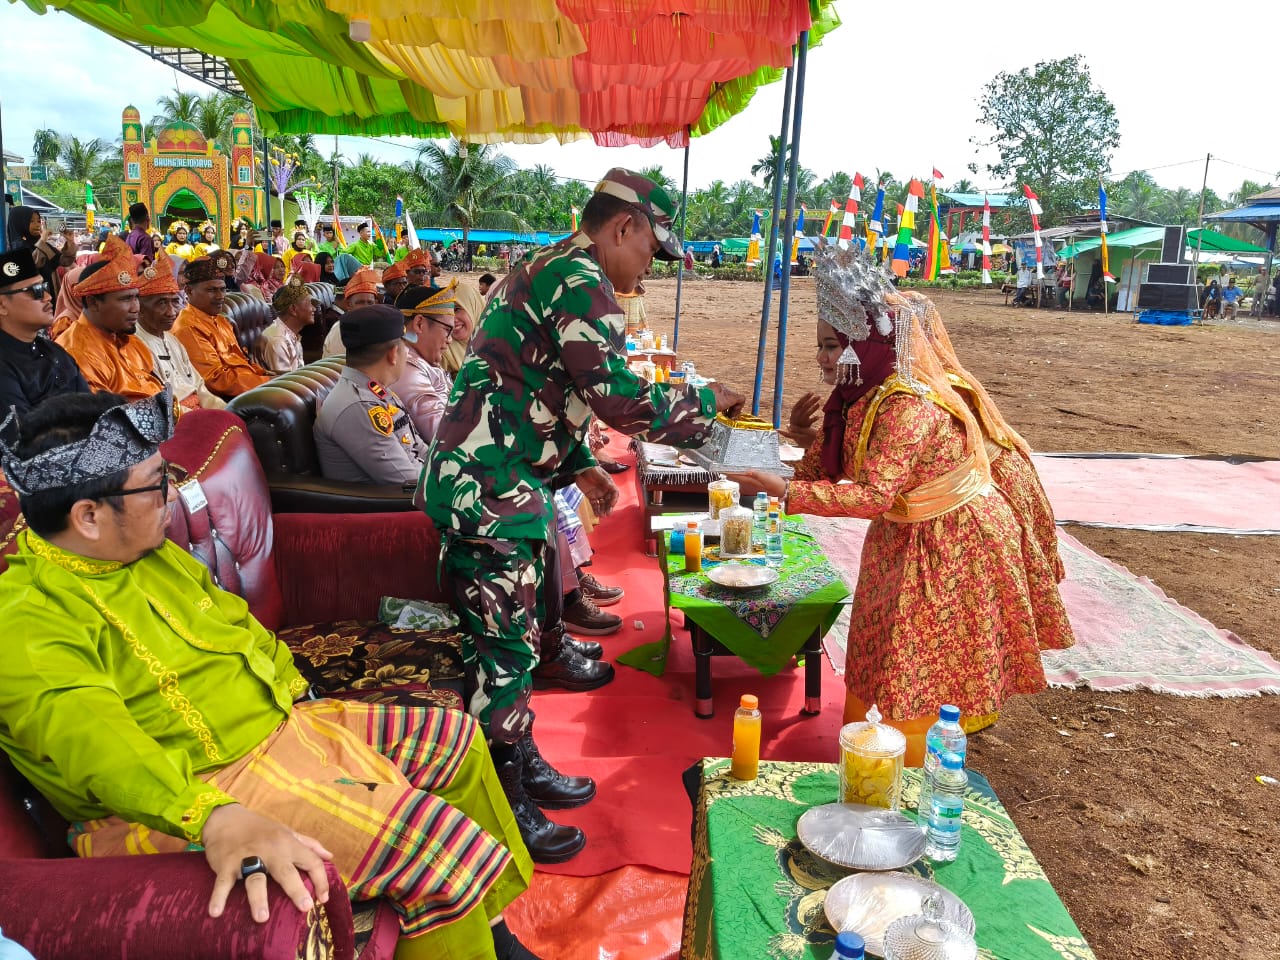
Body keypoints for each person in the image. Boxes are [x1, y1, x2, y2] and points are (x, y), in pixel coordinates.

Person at [0, 390, 538, 960]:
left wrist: (297, 693)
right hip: (195, 789)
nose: (174, 495)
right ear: (87, 517)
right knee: (434, 844)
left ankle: (493, 928)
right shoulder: (26, 623)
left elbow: (240, 629)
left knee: (456, 741)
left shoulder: (148, 553)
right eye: (158, 483)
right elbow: (102, 750)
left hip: (279, 728)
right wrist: (212, 818)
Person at [422, 167, 745, 861]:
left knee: (517, 639)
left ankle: (522, 762)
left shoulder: (550, 263)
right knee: (504, 658)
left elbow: (539, 389)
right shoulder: (579, 279)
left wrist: (583, 468)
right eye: (651, 251)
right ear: (623, 227)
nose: (648, 270)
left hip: (502, 479)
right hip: (489, 491)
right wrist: (711, 404)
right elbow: (619, 401)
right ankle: (501, 807)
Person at [733, 243, 1071, 766]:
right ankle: (873, 751)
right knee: (881, 639)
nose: (823, 357)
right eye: (822, 345)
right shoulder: (859, 397)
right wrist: (801, 439)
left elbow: (872, 494)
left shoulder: (905, 405)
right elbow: (839, 472)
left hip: (954, 538)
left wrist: (783, 492)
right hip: (905, 532)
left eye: (832, 345)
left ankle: (912, 765)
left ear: (863, 344)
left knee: (918, 651)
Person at [315, 304, 427, 485]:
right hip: (394, 508)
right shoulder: (359, 407)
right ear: (393, 354)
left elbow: (419, 449)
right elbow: (407, 482)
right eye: (405, 345)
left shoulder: (377, 392)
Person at [55, 237, 164, 401]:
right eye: (126, 299)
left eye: (136, 298)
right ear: (93, 302)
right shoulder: (75, 353)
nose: (136, 308)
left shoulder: (131, 342)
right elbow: (108, 418)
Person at [132, 247, 225, 414]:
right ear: (140, 308)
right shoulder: (134, 346)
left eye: (175, 302)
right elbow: (157, 405)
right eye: (161, 303)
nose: (171, 312)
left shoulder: (172, 340)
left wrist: (224, 412)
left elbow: (200, 388)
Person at [0, 248, 90, 415]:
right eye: (36, 291)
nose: (48, 297)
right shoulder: (5, 366)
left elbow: (93, 411)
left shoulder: (55, 352)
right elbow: (23, 436)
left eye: (44, 287)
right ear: (2, 305)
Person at [173, 253, 271, 399]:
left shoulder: (220, 320)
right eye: (212, 290)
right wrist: (268, 382)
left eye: (223, 289)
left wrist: (270, 376)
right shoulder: (187, 327)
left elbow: (242, 362)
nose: (220, 296)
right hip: (230, 400)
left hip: (251, 385)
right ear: (189, 291)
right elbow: (216, 380)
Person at [392, 282, 457, 439]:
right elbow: (445, 436)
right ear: (419, 323)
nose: (450, 340)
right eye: (447, 331)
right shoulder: (407, 368)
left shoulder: (420, 360)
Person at [254, 278, 313, 375]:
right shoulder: (277, 340)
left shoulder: (290, 334)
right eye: (309, 303)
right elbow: (286, 384)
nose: (314, 309)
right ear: (293, 309)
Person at [322, 267, 380, 356]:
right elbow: (340, 365)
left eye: (370, 303)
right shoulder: (343, 328)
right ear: (348, 305)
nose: (366, 307)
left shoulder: (371, 324)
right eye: (360, 302)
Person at [441, 279, 484, 376]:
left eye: (457, 309)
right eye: (447, 312)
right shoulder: (441, 353)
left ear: (474, 308)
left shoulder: (497, 344)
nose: (451, 319)